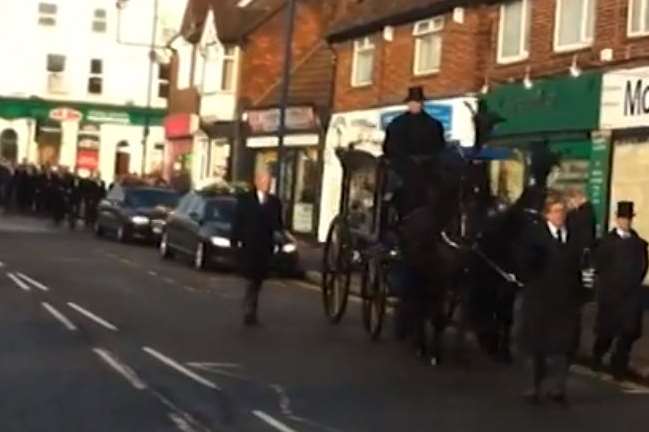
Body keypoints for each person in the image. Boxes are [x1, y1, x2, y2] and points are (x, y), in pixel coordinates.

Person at [517, 190, 582, 405]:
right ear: (546, 215)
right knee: (536, 347)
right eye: (555, 212)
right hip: (540, 300)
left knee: (564, 346)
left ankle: (558, 388)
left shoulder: (573, 236)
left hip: (566, 300)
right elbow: (525, 266)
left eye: (562, 212)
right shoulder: (534, 236)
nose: (560, 216)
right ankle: (532, 387)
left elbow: (579, 267)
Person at [592, 201, 648, 380]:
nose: (626, 222)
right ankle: (597, 356)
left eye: (629, 219)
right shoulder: (607, 242)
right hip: (611, 294)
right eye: (623, 218)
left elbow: (643, 265)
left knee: (629, 333)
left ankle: (619, 365)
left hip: (631, 295)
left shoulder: (638, 243)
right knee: (606, 332)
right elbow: (599, 266)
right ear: (617, 219)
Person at [382, 86, 446, 216]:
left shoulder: (433, 124)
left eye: (417, 102)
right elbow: (390, 148)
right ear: (408, 104)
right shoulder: (397, 124)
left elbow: (439, 147)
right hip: (403, 167)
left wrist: (427, 159)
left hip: (427, 168)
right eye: (412, 102)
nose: (415, 105)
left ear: (422, 104)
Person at [231, 169, 283, 326]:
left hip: (265, 246)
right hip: (249, 244)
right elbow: (238, 221)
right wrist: (235, 240)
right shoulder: (245, 200)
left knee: (258, 279)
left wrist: (279, 239)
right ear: (256, 181)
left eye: (269, 181)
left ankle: (252, 306)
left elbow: (278, 224)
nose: (267, 184)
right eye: (264, 180)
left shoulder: (275, 202)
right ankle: (249, 309)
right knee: (250, 278)